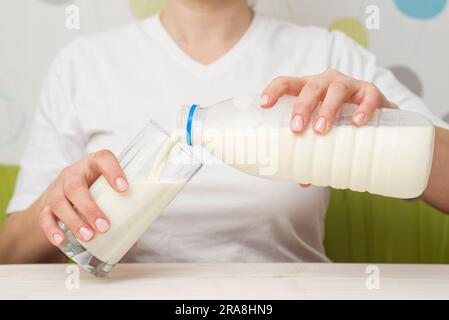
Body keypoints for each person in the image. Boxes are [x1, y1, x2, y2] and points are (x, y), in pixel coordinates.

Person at [1, 0, 448, 264]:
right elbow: (10, 255)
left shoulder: (326, 53)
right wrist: (58, 208)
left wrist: (390, 129)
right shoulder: (82, 65)